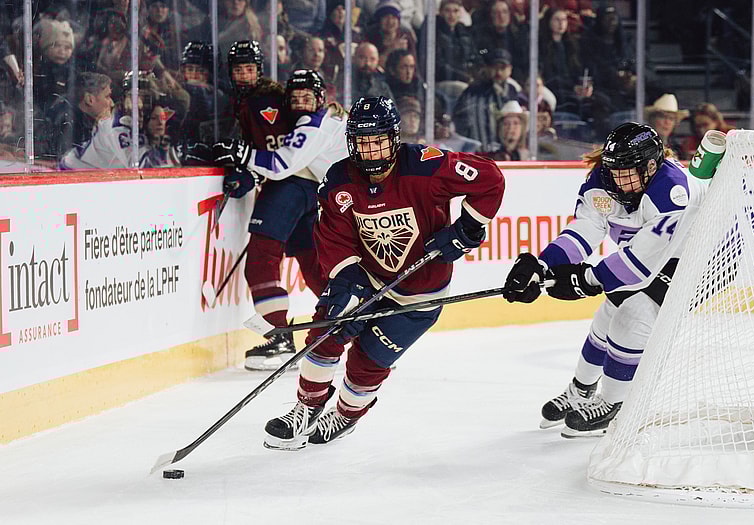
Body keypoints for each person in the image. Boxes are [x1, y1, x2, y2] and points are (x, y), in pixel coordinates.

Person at [262, 96, 505, 449]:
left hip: (421, 292)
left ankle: (346, 415)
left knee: (367, 363)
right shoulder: (339, 179)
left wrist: (468, 227)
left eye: (378, 141)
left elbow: (490, 179)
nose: (372, 151)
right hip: (369, 279)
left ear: (393, 138)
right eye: (363, 142)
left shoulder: (426, 166)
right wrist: (347, 279)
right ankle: (305, 407)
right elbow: (332, 236)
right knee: (326, 333)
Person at [502, 122, 709, 437]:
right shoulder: (603, 181)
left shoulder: (672, 191)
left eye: (627, 172)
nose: (617, 180)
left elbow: (640, 264)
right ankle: (581, 390)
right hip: (651, 255)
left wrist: (586, 279)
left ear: (651, 166)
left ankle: (613, 404)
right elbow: (585, 229)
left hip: (699, 257)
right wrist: (543, 265)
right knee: (607, 316)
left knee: (633, 316)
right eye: (614, 170)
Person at [213, 67, 345, 370]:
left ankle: (279, 338)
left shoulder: (312, 125)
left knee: (261, 260)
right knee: (311, 263)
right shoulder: (316, 119)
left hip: (292, 188)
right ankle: (348, 324)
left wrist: (243, 156)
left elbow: (281, 164)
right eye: (295, 97)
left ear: (320, 98)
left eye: (306, 97)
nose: (300, 103)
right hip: (314, 192)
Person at [645, 93, 688, 159]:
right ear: (652, 119)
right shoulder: (643, 146)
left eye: (671, 119)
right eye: (662, 117)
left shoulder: (677, 149)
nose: (667, 122)